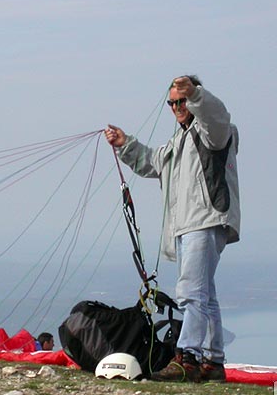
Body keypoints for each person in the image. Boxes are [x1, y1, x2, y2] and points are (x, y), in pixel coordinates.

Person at [103, 75, 240, 383]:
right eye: (173, 102)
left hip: (204, 220)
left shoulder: (214, 132)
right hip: (186, 225)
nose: (178, 107)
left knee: (191, 292)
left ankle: (187, 358)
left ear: (194, 99)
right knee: (205, 294)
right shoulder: (178, 141)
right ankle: (213, 361)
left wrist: (197, 95)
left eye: (183, 100)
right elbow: (152, 162)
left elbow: (218, 116)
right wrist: (126, 144)